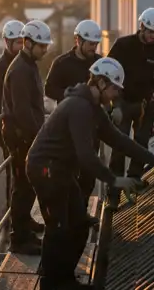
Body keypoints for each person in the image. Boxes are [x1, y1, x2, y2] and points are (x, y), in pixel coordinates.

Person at [27, 57, 154, 290]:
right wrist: (114, 180)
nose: (117, 94)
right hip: (45, 169)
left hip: (60, 169)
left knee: (79, 224)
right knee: (58, 228)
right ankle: (51, 284)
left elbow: (118, 139)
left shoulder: (93, 108)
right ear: (101, 83)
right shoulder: (79, 108)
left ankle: (64, 279)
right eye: (115, 88)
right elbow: (86, 156)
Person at [106, 7, 154, 195]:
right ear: (141, 26)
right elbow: (107, 72)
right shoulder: (123, 45)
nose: (152, 36)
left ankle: (134, 179)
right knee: (120, 146)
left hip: (144, 105)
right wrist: (114, 105)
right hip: (122, 102)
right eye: (150, 32)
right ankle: (114, 192)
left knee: (141, 143)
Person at [1, 19, 53, 255]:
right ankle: (19, 239)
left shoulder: (28, 65)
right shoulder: (21, 70)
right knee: (22, 187)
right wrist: (38, 138)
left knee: (27, 185)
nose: (45, 50)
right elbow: (23, 112)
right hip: (22, 137)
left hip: (27, 136)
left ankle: (24, 227)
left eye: (46, 46)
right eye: (42, 46)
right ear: (28, 43)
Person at [43, 19, 102, 224]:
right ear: (78, 40)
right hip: (67, 130)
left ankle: (80, 214)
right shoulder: (61, 63)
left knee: (88, 173)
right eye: (90, 44)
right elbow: (49, 88)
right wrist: (70, 95)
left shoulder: (99, 64)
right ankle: (66, 217)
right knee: (67, 173)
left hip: (91, 127)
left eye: (96, 44)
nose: (93, 48)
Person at [0, 19, 24, 210]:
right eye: (17, 42)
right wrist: (2, 130)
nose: (21, 47)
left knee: (25, 174)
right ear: (7, 42)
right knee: (14, 173)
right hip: (10, 129)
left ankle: (21, 213)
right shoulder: (0, 68)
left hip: (23, 128)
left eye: (23, 42)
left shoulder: (24, 64)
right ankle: (13, 213)